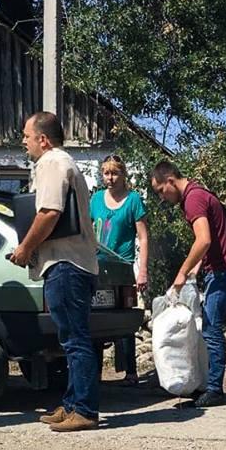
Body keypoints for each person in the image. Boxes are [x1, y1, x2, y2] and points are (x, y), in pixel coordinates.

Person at [9, 112, 100, 432]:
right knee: (71, 338)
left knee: (75, 340)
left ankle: (85, 410)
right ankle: (74, 403)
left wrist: (25, 248)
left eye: (27, 136)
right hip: (75, 263)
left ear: (43, 139)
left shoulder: (50, 162)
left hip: (65, 264)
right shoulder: (66, 162)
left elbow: (49, 212)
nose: (24, 141)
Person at [150, 161, 226, 407]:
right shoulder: (198, 194)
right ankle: (208, 385)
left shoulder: (193, 199)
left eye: (161, 190)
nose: (162, 197)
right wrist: (196, 267)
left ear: (170, 180)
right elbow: (212, 238)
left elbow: (203, 240)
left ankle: (214, 389)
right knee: (210, 327)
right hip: (223, 269)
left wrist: (182, 273)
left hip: (224, 271)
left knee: (211, 328)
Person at [90, 154, 149, 385]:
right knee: (95, 319)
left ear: (123, 174)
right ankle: (94, 373)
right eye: (106, 173)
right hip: (97, 265)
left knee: (123, 321)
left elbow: (143, 238)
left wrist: (142, 270)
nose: (110, 178)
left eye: (115, 173)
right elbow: (86, 230)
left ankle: (130, 372)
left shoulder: (133, 200)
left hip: (122, 265)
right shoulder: (95, 200)